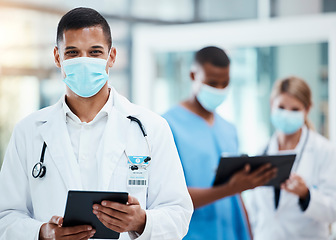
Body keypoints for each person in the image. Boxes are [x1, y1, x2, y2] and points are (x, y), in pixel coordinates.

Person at [0, 7, 193, 240]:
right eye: (72, 52)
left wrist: (141, 221)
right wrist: (41, 233)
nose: (84, 61)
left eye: (94, 52)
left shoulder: (151, 128)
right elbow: (5, 216)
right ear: (57, 56)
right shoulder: (28, 132)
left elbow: (179, 214)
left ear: (111, 57)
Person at [163, 46, 276, 240]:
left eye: (225, 83)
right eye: (212, 83)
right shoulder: (167, 126)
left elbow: (238, 195)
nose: (220, 90)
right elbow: (169, 197)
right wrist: (229, 189)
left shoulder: (228, 128)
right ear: (193, 75)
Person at [245, 76, 336, 240]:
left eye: (295, 109)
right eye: (281, 107)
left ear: (307, 109)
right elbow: (254, 212)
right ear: (272, 104)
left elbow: (333, 211)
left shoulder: (324, 151)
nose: (287, 114)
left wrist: (306, 195)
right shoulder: (261, 152)